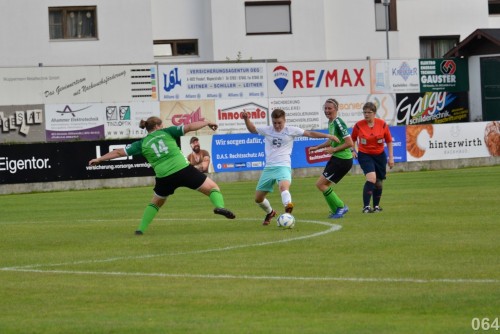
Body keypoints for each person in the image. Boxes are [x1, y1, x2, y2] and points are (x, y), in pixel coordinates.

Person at [88, 116, 235, 235]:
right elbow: (190, 127)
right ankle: (219, 206)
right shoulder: (167, 132)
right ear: (157, 126)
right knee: (213, 188)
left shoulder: (142, 143)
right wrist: (207, 122)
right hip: (183, 169)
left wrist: (99, 159)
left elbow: (119, 152)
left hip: (164, 177)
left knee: (156, 202)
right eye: (162, 125)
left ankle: (140, 229)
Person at [242, 108, 339, 225]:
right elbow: (252, 129)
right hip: (269, 168)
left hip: (283, 166)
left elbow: (309, 133)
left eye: (279, 123)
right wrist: (246, 119)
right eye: (275, 123)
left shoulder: (291, 130)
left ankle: (288, 206)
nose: (277, 125)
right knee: (258, 199)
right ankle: (270, 212)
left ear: (284, 120)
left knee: (283, 187)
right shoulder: (267, 130)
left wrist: (328, 136)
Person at [309, 98, 354, 219]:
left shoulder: (338, 122)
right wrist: (317, 147)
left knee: (320, 185)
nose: (327, 110)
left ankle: (341, 207)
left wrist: (333, 150)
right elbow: (331, 140)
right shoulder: (331, 122)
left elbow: (350, 143)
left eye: (330, 108)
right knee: (323, 185)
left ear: (336, 109)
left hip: (342, 160)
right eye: (325, 108)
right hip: (338, 159)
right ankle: (336, 211)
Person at [351, 102, 394, 213]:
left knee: (379, 182)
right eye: (364, 112)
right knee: (371, 179)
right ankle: (366, 207)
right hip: (365, 155)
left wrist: (391, 158)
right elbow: (352, 139)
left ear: (374, 113)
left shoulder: (382, 124)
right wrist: (353, 150)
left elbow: (389, 141)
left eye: (369, 112)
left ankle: (376, 207)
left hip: (380, 156)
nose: (366, 115)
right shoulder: (358, 125)